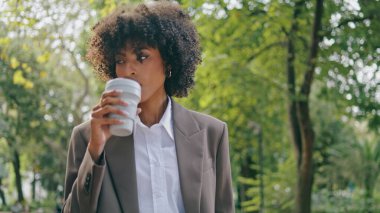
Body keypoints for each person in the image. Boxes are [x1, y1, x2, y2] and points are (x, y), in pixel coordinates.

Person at [63, 1, 234, 213]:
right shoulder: (87, 137)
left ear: (169, 61)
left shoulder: (212, 134)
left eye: (141, 57)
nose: (128, 70)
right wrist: (95, 150)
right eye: (120, 60)